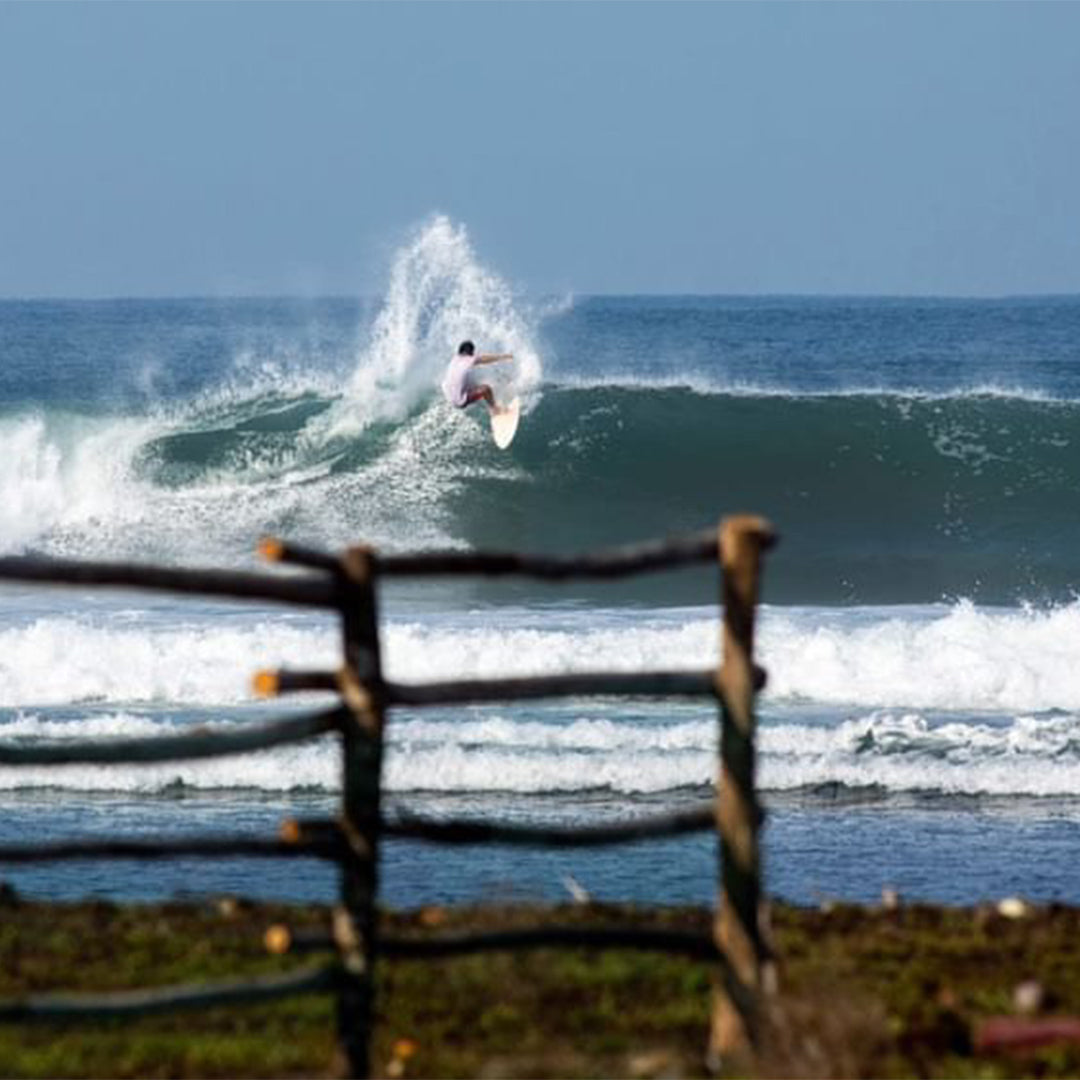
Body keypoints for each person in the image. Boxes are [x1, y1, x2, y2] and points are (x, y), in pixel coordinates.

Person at [441, 340, 514, 414]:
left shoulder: (455, 358)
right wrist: (503, 357)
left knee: (470, 381)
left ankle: (467, 395)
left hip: (448, 396)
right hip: (459, 402)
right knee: (486, 389)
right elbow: (485, 359)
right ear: (471, 353)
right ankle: (494, 409)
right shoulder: (469, 360)